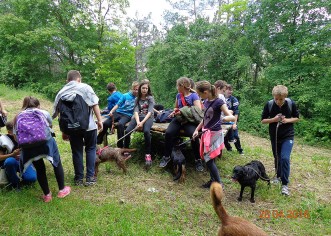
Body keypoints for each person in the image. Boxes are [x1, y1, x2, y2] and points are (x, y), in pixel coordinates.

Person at [15, 97, 70, 202]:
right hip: (45, 143)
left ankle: (47, 195)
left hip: (28, 147)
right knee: (56, 163)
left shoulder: (18, 116)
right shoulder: (43, 112)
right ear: (38, 105)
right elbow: (49, 125)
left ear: (24, 106)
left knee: (39, 168)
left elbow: (16, 134)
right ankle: (62, 190)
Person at [53, 70, 103, 186]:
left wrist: (64, 131)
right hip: (89, 126)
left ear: (67, 80)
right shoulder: (85, 87)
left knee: (77, 151)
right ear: (79, 79)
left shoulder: (61, 91)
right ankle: (90, 178)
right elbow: (94, 103)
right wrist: (100, 120)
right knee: (90, 149)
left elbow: (57, 113)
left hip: (72, 128)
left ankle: (78, 179)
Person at [193, 81, 235, 188]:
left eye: (199, 93)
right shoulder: (206, 102)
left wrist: (225, 118)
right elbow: (205, 119)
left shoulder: (219, 102)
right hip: (206, 132)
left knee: (209, 159)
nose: (199, 96)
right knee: (209, 159)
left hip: (215, 133)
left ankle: (219, 183)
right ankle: (213, 181)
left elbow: (232, 117)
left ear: (206, 92)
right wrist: (196, 130)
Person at [159, 77, 204, 172]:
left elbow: (198, 110)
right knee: (168, 133)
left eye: (177, 85)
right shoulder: (178, 96)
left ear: (182, 86)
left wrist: (183, 111)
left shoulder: (194, 96)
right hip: (179, 119)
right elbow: (176, 108)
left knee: (194, 136)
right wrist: (174, 112)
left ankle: (198, 159)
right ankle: (166, 156)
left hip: (189, 121)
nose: (176, 87)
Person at [261, 85, 299, 196]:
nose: (278, 101)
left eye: (280, 99)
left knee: (285, 158)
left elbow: (297, 117)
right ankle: (277, 176)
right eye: (276, 99)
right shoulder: (269, 104)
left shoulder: (291, 103)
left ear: (285, 97)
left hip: (288, 136)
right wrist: (274, 119)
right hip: (275, 136)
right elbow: (263, 120)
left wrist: (286, 120)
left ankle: (285, 184)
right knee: (277, 157)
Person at [97, 81, 139, 146]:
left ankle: (120, 145)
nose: (136, 91)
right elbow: (118, 104)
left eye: (138, 90)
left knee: (120, 124)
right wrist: (111, 111)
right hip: (118, 112)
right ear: (132, 89)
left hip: (127, 115)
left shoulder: (139, 98)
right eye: (135, 89)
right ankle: (98, 140)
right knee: (105, 123)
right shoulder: (125, 95)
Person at [124, 81, 155, 167]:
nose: (144, 90)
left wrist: (142, 122)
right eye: (143, 88)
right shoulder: (137, 99)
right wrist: (138, 122)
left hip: (148, 118)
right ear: (140, 89)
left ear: (148, 89)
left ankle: (148, 154)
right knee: (127, 131)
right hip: (138, 117)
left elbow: (150, 112)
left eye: (146, 88)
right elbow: (136, 111)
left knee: (146, 131)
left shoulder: (150, 98)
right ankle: (126, 152)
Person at [0, 121, 37, 189]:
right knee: (9, 162)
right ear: (9, 132)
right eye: (14, 131)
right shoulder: (3, 139)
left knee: (31, 179)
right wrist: (12, 154)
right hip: (12, 161)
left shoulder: (25, 136)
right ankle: (15, 183)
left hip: (25, 161)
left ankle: (23, 178)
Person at [224, 84, 244, 155]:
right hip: (224, 121)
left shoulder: (234, 99)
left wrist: (234, 123)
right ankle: (229, 148)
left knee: (235, 136)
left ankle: (240, 150)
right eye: (228, 89)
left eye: (231, 90)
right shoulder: (221, 98)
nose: (230, 91)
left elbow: (236, 112)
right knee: (224, 136)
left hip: (232, 121)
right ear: (224, 90)